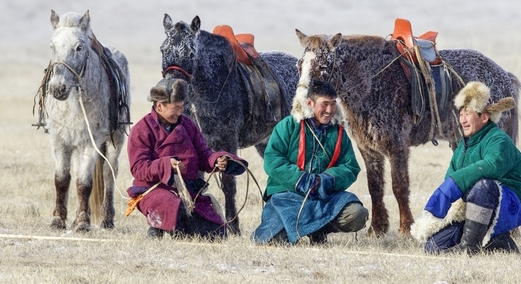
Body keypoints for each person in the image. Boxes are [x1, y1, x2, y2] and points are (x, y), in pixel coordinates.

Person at [412, 81, 521, 255]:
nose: (463, 119)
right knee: (434, 247)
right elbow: (451, 178)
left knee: (484, 186)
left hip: (509, 204)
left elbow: (491, 166)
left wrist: (454, 184)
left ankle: (469, 248)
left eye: (468, 113)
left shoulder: (499, 140)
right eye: (461, 113)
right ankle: (498, 243)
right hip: (472, 206)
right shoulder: (462, 146)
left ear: (484, 117)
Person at [127, 78, 247, 239]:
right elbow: (138, 168)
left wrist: (218, 160)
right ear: (160, 105)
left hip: (189, 192)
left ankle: (177, 228)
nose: (180, 112)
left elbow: (204, 155)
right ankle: (157, 227)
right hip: (154, 189)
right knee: (172, 206)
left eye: (182, 107)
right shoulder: (142, 129)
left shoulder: (188, 125)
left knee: (216, 233)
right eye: (176, 107)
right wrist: (166, 165)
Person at [251, 79, 369, 244]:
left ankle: (320, 230)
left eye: (333, 104)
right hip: (288, 197)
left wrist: (327, 179)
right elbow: (272, 160)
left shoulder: (339, 132)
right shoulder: (288, 126)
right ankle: (299, 228)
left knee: (357, 214)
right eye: (324, 104)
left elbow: (350, 167)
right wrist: (301, 179)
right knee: (271, 240)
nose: (330, 110)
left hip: (325, 197)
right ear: (310, 103)